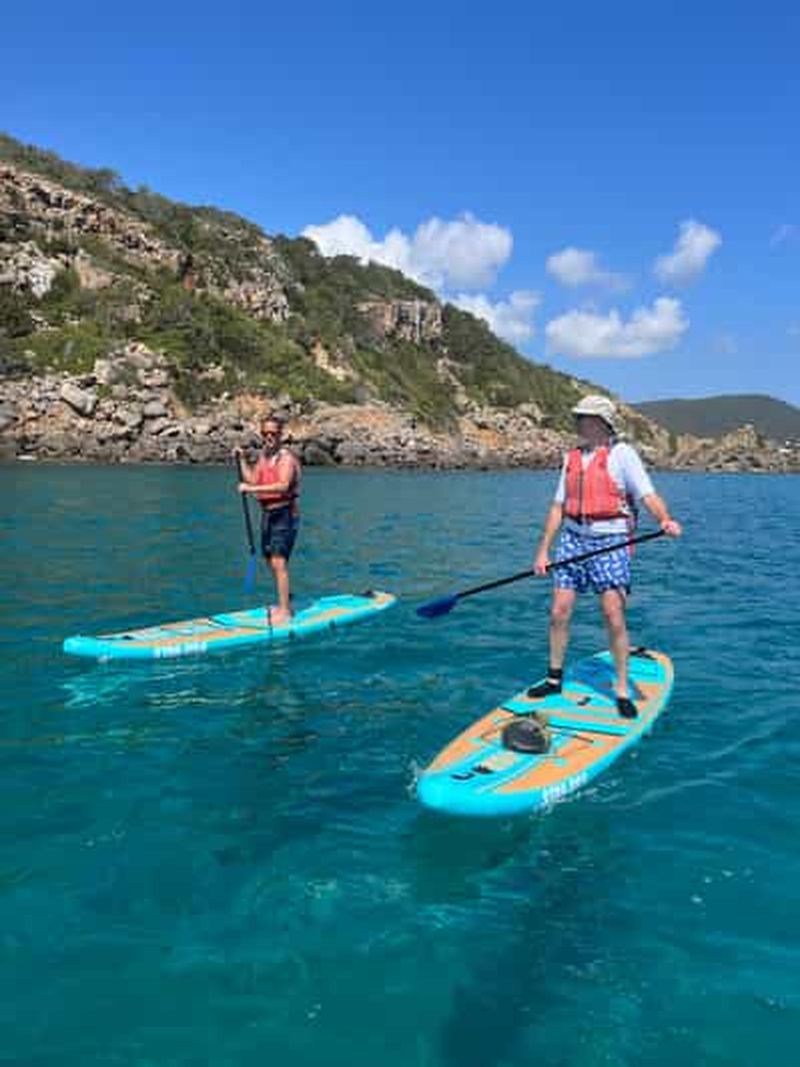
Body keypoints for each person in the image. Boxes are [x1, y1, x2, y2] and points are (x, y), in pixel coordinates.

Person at [531, 395, 682, 717]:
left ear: (603, 423)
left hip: (611, 540)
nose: (579, 423)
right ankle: (554, 677)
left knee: (613, 613)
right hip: (573, 539)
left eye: (585, 417)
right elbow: (558, 507)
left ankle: (623, 688)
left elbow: (647, 493)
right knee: (559, 611)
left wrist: (665, 520)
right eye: (578, 417)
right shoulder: (571, 458)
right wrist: (543, 550)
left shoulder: (622, 454)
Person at [235, 414, 302, 625]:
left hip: (285, 514)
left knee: (278, 561)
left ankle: (285, 611)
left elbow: (282, 485)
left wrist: (251, 489)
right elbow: (252, 479)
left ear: (281, 434)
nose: (269, 437)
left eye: (273, 433)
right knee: (268, 559)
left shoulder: (286, 459)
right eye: (265, 433)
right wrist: (241, 460)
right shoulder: (264, 457)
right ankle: (286, 599)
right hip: (268, 513)